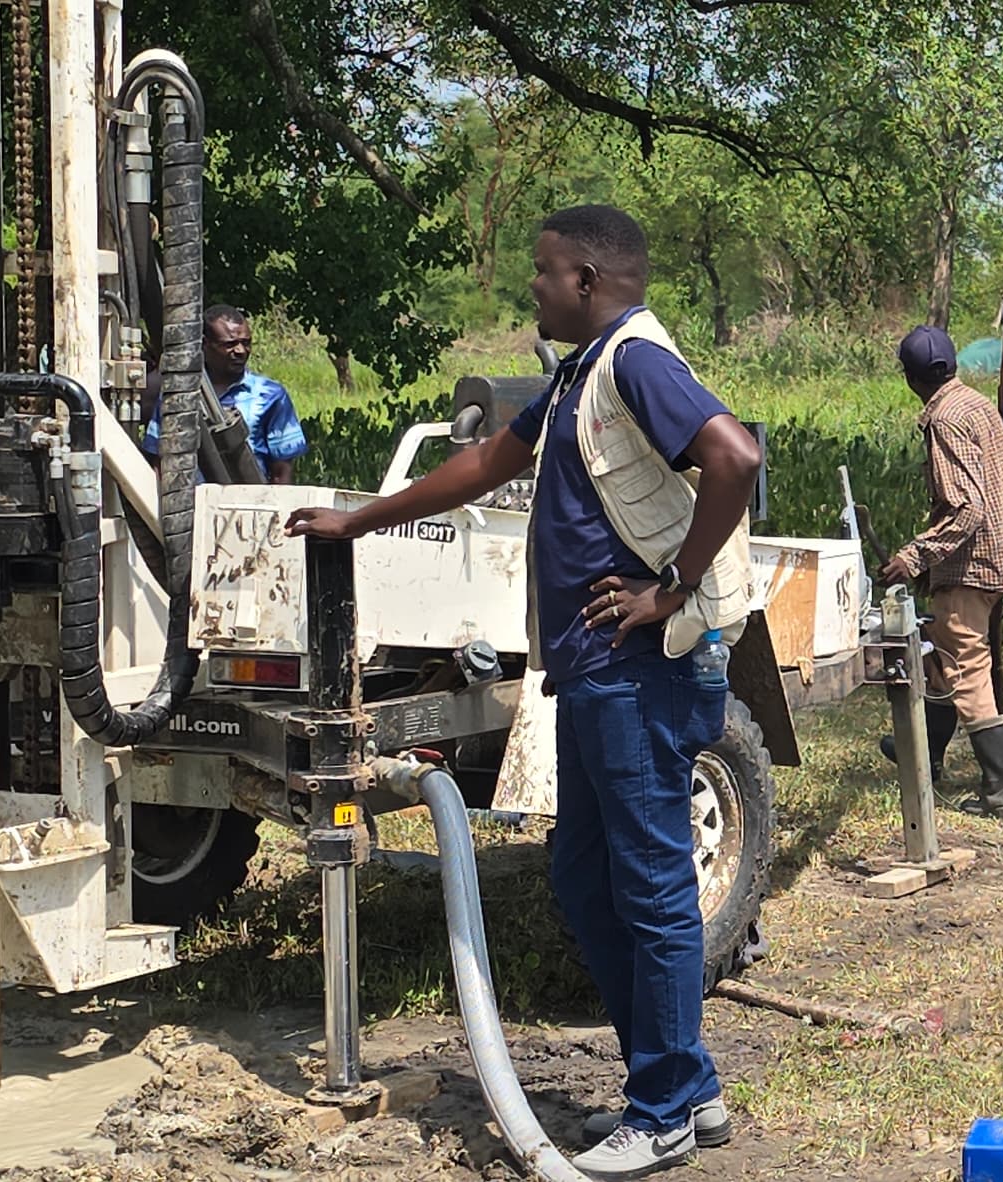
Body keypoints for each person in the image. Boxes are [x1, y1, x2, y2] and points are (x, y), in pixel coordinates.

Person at [285, 204, 761, 1181]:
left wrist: (670, 585)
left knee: (651, 888)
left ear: (587, 279)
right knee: (586, 882)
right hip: (591, 673)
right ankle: (688, 1085)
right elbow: (488, 462)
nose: (531, 288)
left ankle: (663, 1111)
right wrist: (362, 519)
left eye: (544, 272)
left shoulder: (635, 361)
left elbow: (733, 456)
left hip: (645, 671)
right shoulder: (577, 378)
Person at [875, 325, 1003, 818]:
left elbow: (967, 509)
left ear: (910, 378)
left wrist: (914, 556)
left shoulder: (943, 418)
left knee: (965, 666)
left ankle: (999, 789)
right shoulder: (977, 404)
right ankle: (925, 753)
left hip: (975, 559)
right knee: (944, 654)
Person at [142, 305, 308, 482]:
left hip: (251, 503)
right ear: (205, 344)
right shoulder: (178, 394)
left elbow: (282, 472)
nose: (240, 351)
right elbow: (159, 460)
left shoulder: (270, 395)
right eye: (229, 345)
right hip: (190, 504)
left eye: (246, 343)